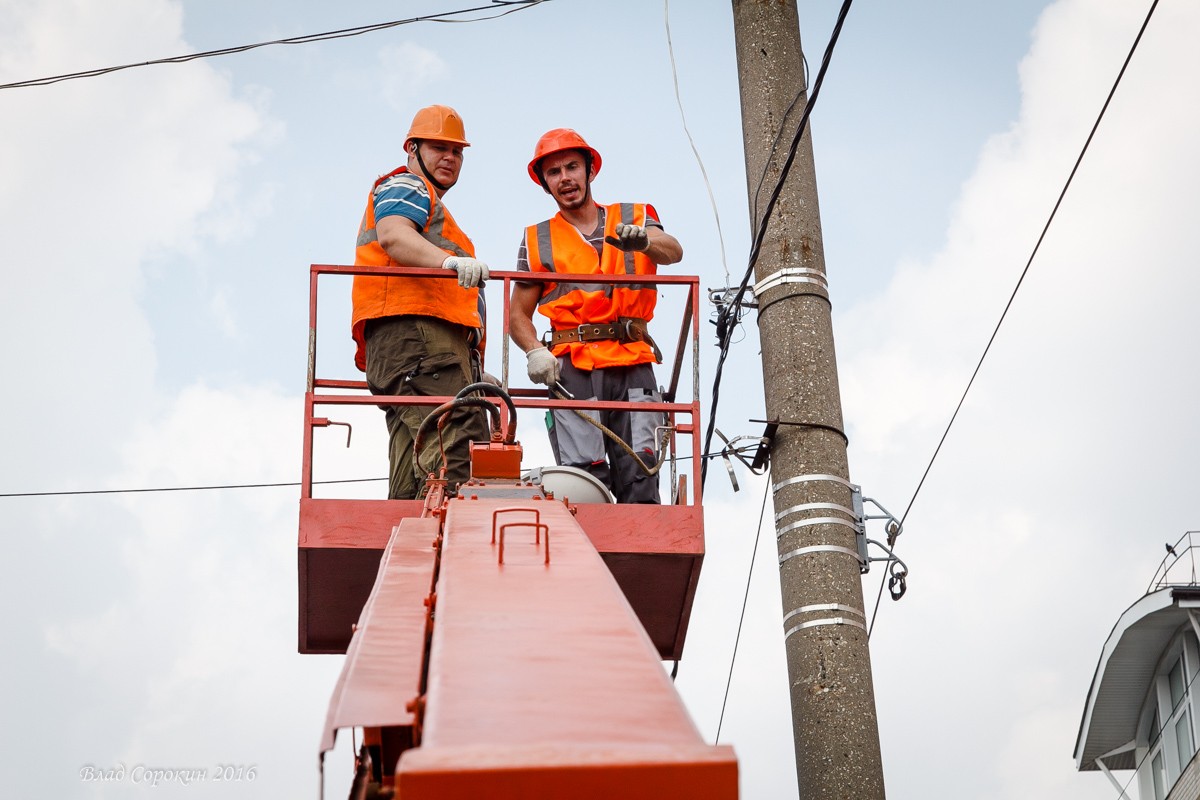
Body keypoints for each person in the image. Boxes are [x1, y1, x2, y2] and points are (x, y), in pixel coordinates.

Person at [510, 128, 683, 504]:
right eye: (553, 172)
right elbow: (517, 316)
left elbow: (673, 252)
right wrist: (533, 351)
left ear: (590, 170)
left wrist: (645, 241)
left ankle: (639, 556)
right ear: (545, 184)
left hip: (632, 361)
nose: (565, 178)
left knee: (642, 470)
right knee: (583, 481)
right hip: (572, 368)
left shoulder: (635, 216)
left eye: (572, 166)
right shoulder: (537, 238)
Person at [351, 104, 491, 500]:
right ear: (412, 149)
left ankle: (413, 541)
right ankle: (453, 545)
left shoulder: (430, 204)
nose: (450, 157)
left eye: (457, 151)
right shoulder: (408, 186)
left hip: (414, 347)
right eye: (438, 148)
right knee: (457, 434)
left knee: (415, 466)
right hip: (417, 339)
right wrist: (449, 261)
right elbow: (394, 234)